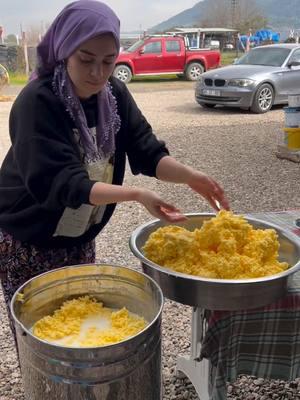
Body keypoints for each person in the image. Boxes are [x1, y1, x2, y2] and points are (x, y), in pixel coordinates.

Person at [0, 0, 229, 328]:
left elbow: (146, 150)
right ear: (65, 50)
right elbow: (64, 183)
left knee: (84, 327)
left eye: (108, 61)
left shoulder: (113, 95)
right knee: (41, 335)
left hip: (78, 234)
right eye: (86, 59)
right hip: (28, 237)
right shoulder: (38, 102)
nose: (97, 73)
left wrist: (190, 176)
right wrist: (136, 195)